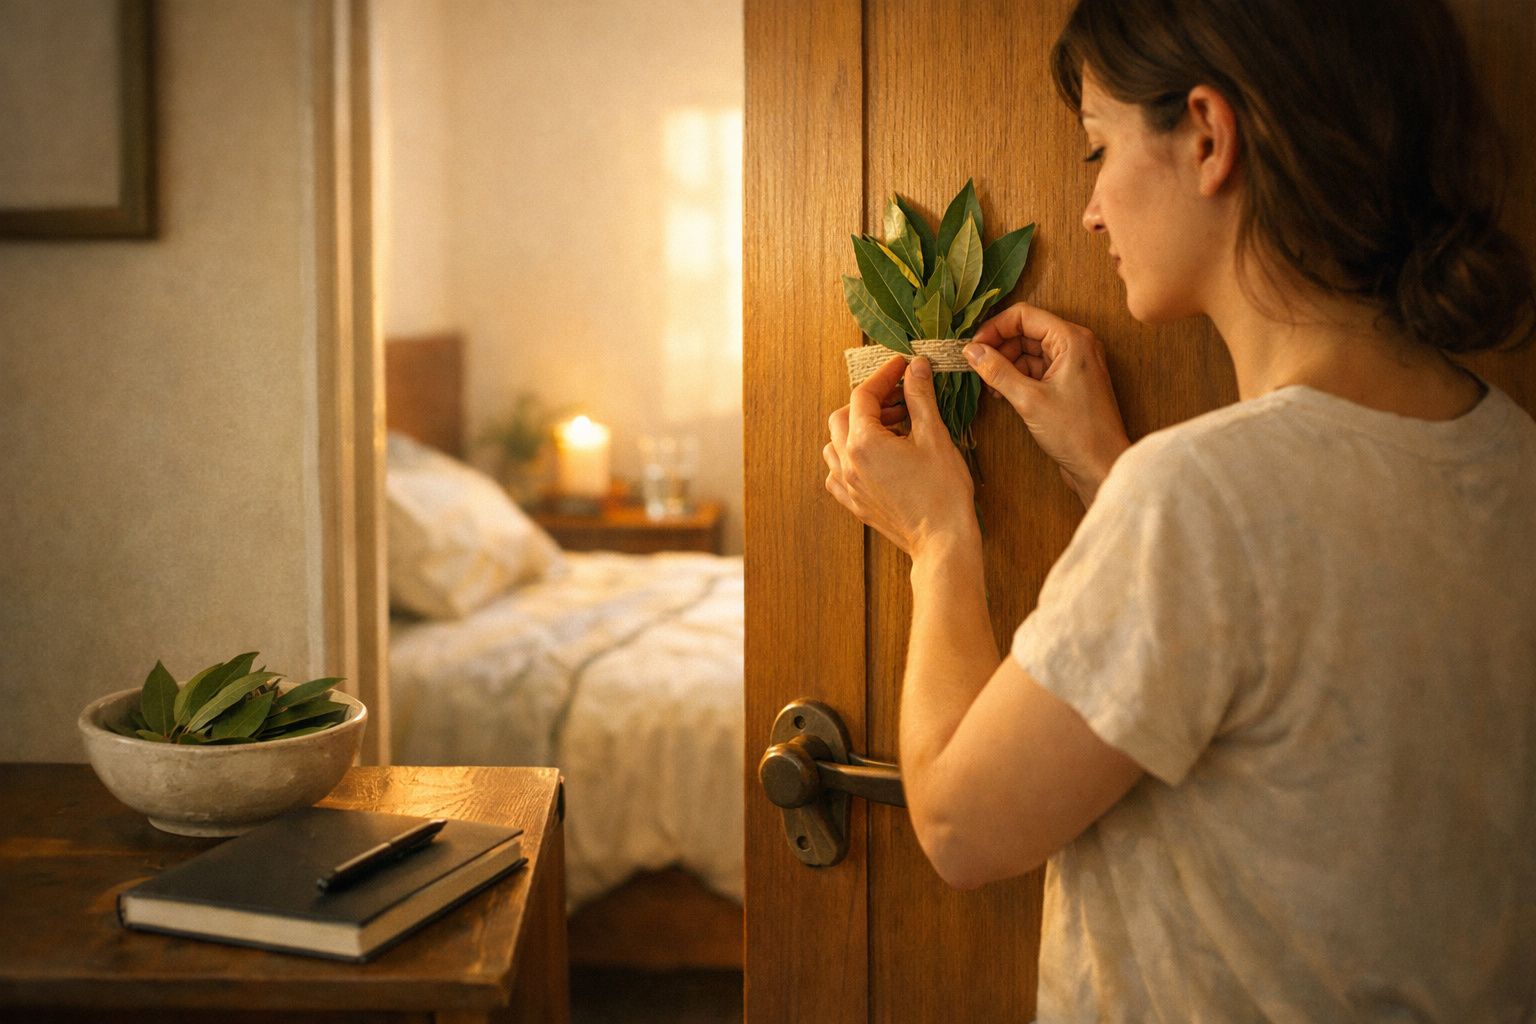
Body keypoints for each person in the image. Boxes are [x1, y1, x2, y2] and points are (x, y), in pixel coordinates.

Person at [821, 0, 1536, 1019]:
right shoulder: (1509, 450)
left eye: (1097, 150)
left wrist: (937, 537)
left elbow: (958, 828)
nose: (1091, 212)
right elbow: (1274, 625)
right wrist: (1104, 465)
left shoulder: (1198, 496)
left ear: (1208, 134)